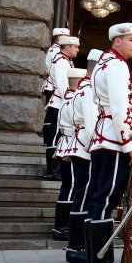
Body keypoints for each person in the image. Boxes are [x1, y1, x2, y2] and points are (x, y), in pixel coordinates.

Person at [86, 24, 132, 263]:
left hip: (104, 137)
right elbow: (120, 108)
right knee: (106, 200)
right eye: (131, 40)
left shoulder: (104, 63)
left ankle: (97, 261)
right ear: (117, 40)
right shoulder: (117, 65)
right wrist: (129, 145)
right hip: (113, 140)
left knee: (99, 201)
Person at [62, 49, 102, 263]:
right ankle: (76, 247)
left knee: (83, 194)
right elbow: (91, 122)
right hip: (85, 146)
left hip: (83, 145)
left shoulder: (86, 88)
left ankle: (78, 246)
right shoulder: (87, 90)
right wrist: (96, 148)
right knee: (83, 194)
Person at [52, 67, 87, 242]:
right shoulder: (75, 99)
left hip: (67, 145)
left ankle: (62, 226)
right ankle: (62, 227)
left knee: (69, 186)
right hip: (72, 144)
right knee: (71, 185)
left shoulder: (68, 98)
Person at [44, 35, 78, 179]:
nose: (77, 50)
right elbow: (63, 84)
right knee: (54, 136)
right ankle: (53, 170)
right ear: (68, 47)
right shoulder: (61, 61)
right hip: (59, 103)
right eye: (75, 47)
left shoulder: (65, 61)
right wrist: (70, 100)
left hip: (61, 103)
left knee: (58, 135)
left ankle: (56, 168)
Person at [41, 28, 70, 104]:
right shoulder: (57, 50)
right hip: (53, 86)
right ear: (59, 37)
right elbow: (58, 71)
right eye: (66, 37)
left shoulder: (54, 49)